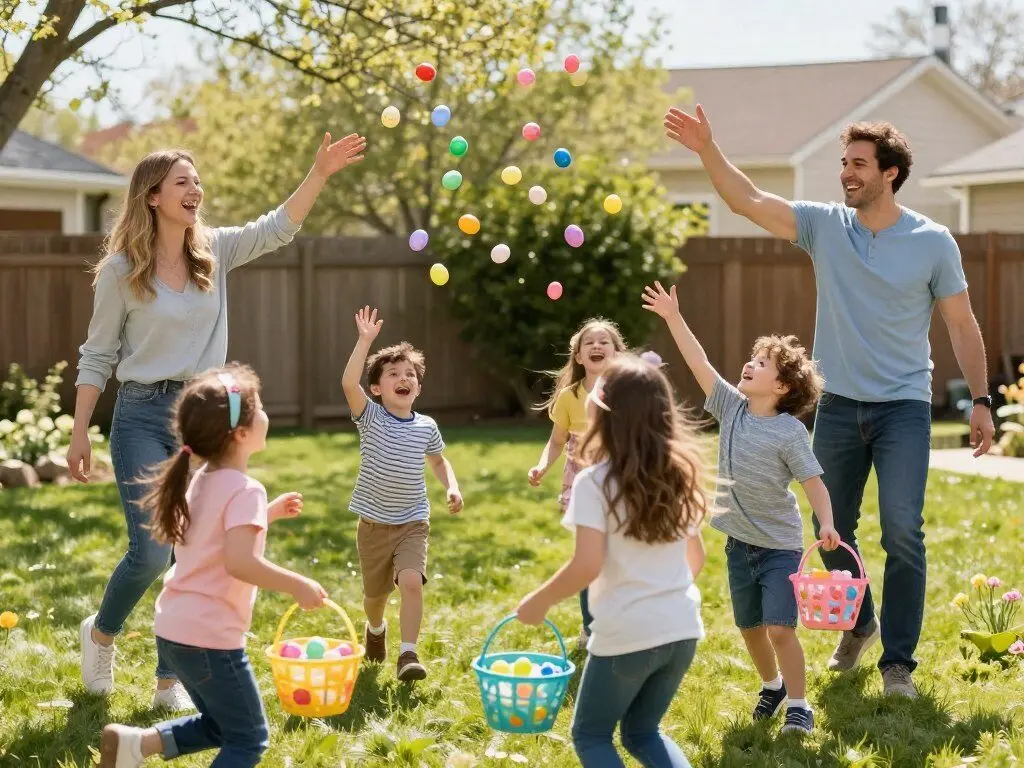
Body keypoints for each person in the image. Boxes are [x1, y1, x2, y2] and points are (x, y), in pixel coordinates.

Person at [664, 105, 994, 697]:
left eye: (859, 164)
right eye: (844, 162)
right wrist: (707, 150)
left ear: (889, 173)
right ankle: (860, 623)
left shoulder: (932, 242)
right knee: (832, 530)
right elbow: (748, 200)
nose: (847, 173)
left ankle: (898, 663)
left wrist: (981, 398)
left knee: (903, 532)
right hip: (838, 407)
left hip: (903, 409)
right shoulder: (825, 226)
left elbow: (962, 324)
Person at [70, 132, 364, 708]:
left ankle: (167, 682)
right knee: (153, 549)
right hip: (140, 413)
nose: (195, 190)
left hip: (202, 417)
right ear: (151, 196)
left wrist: (319, 173)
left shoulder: (215, 253)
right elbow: (97, 354)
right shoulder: (121, 270)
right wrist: (81, 428)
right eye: (183, 181)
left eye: (197, 181)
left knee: (194, 550)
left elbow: (278, 226)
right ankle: (102, 632)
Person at [98, 364, 328, 767]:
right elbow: (239, 561)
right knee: (249, 739)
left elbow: (211, 538)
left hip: (175, 631)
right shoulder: (244, 489)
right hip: (210, 638)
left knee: (222, 724)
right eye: (259, 408)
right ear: (241, 433)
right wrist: (296, 584)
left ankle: (135, 746)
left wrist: (265, 516)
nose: (266, 415)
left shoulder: (198, 480)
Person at [643, 281, 840, 734]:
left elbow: (813, 480)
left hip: (779, 549)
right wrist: (673, 316)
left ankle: (799, 704)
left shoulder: (790, 432)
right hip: (739, 544)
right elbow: (698, 363)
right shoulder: (731, 407)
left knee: (779, 629)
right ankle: (771, 685)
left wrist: (826, 522)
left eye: (762, 363)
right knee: (750, 628)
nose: (749, 364)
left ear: (783, 385)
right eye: (751, 359)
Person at [517, 354, 710, 767]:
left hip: (627, 632)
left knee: (591, 735)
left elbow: (586, 566)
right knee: (643, 733)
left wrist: (539, 601)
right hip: (681, 628)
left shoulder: (595, 482)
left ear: (603, 411)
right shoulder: (680, 474)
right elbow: (697, 557)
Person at [340, 306, 463, 681]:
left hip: (413, 521)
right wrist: (364, 342)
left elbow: (439, 461)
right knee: (375, 598)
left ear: (418, 388)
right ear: (377, 388)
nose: (403, 378)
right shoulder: (371, 417)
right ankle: (376, 629)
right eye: (393, 374)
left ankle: (408, 654)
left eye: (409, 374)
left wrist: (452, 486)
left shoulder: (427, 425)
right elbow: (348, 384)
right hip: (374, 525)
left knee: (410, 581)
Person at [528, 318, 627, 646]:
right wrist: (542, 465)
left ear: (617, 353)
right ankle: (591, 627)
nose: (597, 346)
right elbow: (557, 441)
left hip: (620, 481)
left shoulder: (627, 394)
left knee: (618, 556)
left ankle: (618, 619)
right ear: (579, 357)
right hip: (582, 484)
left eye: (604, 342)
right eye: (590, 343)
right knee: (590, 558)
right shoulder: (569, 396)